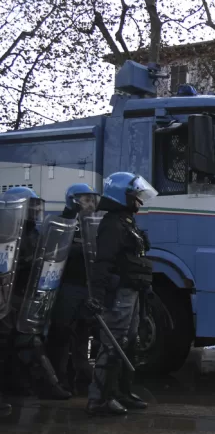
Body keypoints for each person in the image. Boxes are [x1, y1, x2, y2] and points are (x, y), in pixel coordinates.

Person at [86, 172, 158, 416]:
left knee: (129, 342)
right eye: (134, 196)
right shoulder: (112, 224)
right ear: (121, 196)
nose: (139, 200)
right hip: (118, 294)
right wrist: (97, 295)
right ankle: (99, 400)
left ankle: (121, 393)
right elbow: (103, 262)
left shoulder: (126, 221)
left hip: (132, 291)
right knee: (112, 345)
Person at [1, 187, 73, 400]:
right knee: (11, 342)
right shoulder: (6, 230)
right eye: (30, 204)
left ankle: (19, 384)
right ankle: (44, 386)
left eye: (36, 205)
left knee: (26, 340)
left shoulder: (34, 231)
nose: (34, 209)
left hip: (25, 293)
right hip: (7, 295)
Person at [46, 184, 98, 395]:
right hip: (67, 286)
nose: (91, 204)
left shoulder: (91, 223)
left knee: (83, 333)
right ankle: (58, 380)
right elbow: (53, 252)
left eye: (92, 199)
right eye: (86, 199)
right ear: (73, 200)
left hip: (86, 286)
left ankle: (83, 378)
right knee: (61, 334)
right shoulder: (61, 222)